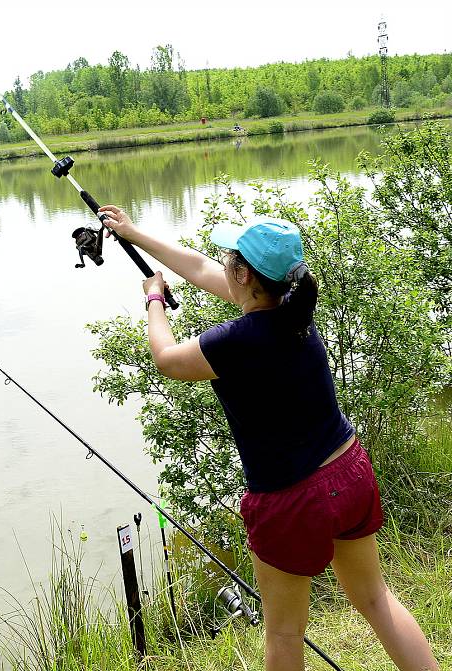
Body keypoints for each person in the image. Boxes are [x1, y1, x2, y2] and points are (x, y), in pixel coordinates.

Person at [97, 205, 439, 671]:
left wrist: (154, 298)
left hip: (291, 499)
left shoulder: (232, 342)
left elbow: (167, 360)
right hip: (348, 470)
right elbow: (198, 268)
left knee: (283, 632)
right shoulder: (296, 311)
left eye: (230, 259)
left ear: (242, 275)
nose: (222, 265)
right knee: (376, 600)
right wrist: (134, 234)